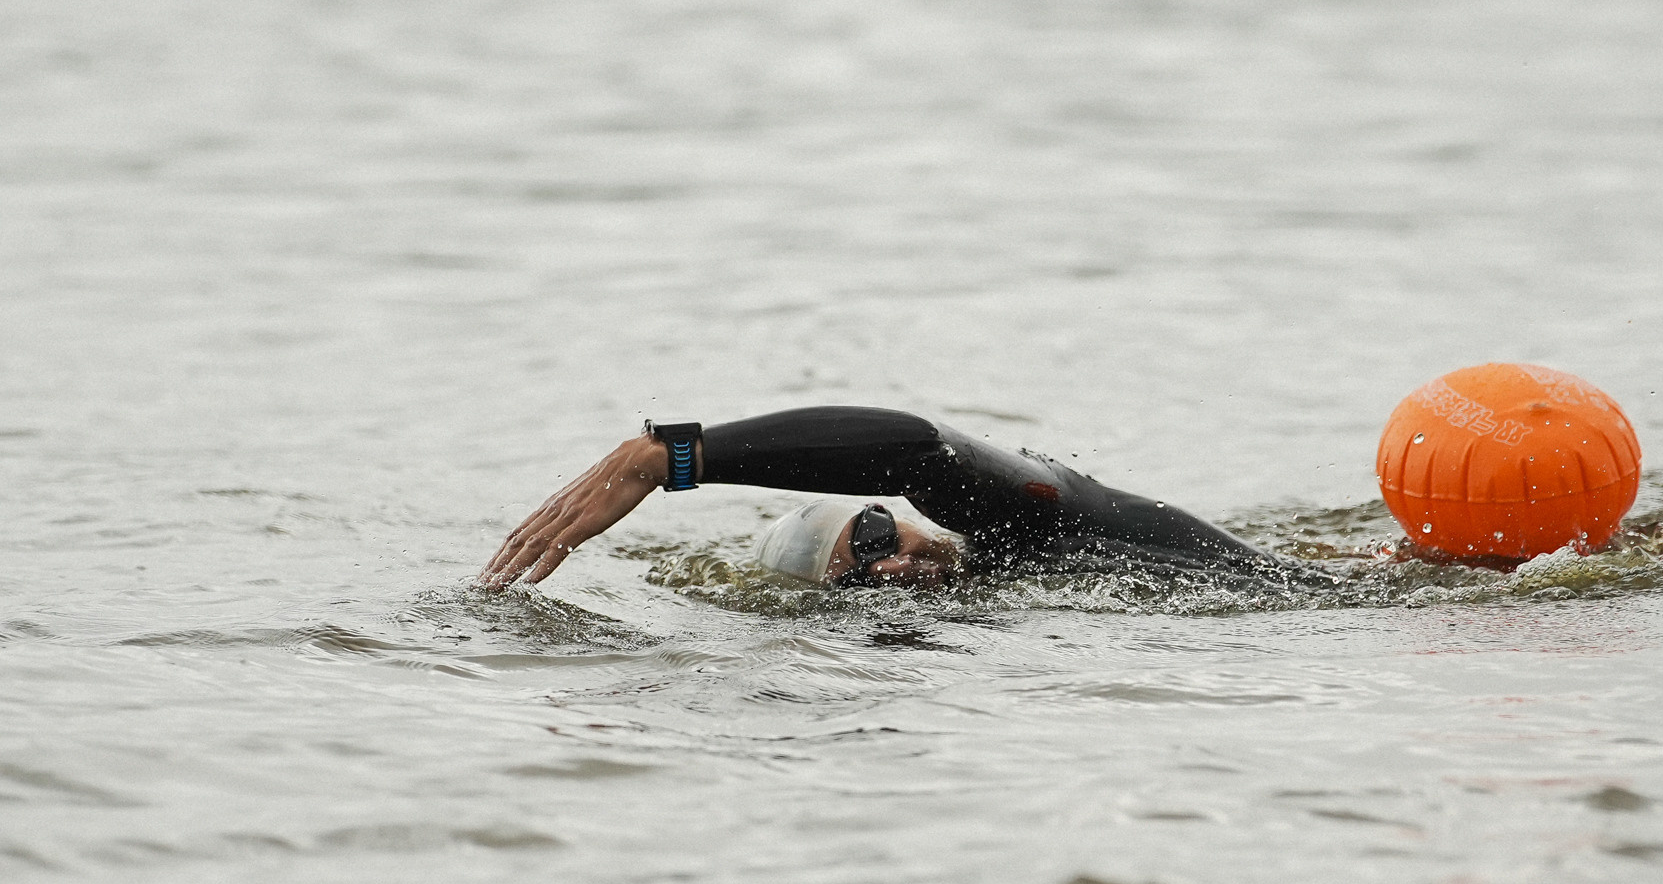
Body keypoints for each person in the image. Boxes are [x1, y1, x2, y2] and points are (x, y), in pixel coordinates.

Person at [480, 405, 1296, 592]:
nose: (890, 569)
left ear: (894, 512)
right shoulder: (990, 610)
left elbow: (917, 447)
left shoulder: (1025, 524)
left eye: (874, 537)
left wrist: (673, 457)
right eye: (858, 578)